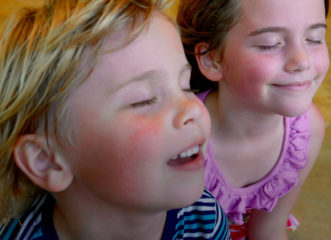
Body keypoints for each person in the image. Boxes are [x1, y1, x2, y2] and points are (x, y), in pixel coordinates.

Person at [0, 0, 231, 239]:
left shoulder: (205, 220)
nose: (192, 109)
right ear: (46, 161)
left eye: (186, 86)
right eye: (144, 99)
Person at [177, 0, 330, 239]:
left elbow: (268, 229)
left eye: (314, 38)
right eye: (270, 44)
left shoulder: (307, 131)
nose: (302, 61)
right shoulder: (178, 136)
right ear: (212, 59)